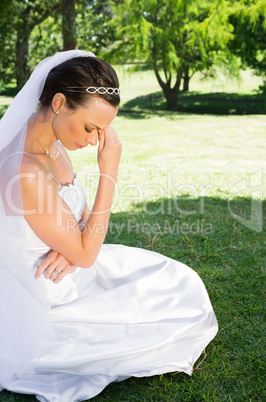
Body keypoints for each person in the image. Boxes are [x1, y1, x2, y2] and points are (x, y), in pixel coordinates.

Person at [0, 50, 218, 402]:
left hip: (71, 267)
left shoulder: (51, 144)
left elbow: (84, 222)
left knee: (177, 281)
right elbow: (87, 246)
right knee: (170, 311)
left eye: (100, 132)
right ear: (59, 102)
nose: (92, 141)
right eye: (90, 128)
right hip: (48, 296)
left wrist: (73, 253)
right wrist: (109, 172)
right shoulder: (25, 171)